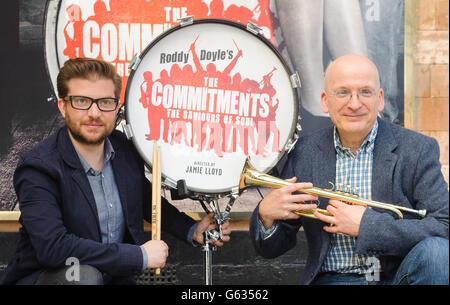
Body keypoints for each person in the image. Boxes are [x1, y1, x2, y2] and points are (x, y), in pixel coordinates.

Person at [1, 58, 230, 285]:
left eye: (105, 102)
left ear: (116, 107)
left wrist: (191, 229)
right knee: (84, 277)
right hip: (51, 278)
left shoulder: (123, 148)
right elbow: (53, 248)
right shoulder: (38, 167)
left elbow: (144, 198)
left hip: (111, 276)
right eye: (81, 101)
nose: (94, 113)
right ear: (63, 107)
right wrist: (138, 256)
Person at [249, 54, 449, 285]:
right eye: (342, 92)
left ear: (380, 99)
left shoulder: (417, 149)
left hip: (396, 278)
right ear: (325, 101)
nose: (354, 104)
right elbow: (273, 248)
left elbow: (444, 226)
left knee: (437, 253)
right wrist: (266, 215)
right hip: (332, 279)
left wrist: (367, 227)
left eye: (365, 92)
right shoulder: (304, 152)